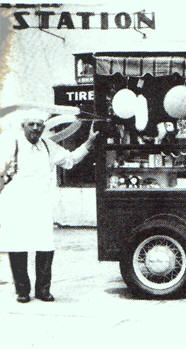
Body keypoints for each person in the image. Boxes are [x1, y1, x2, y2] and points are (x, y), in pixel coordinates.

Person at [0, 110, 99, 303]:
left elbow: (70, 160)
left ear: (44, 127)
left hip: (41, 205)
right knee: (18, 246)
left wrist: (89, 143)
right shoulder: (12, 144)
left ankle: (43, 290)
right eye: (31, 124)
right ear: (24, 126)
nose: (35, 128)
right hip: (16, 205)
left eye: (39, 125)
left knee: (45, 245)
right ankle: (22, 291)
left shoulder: (47, 146)